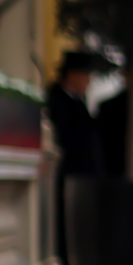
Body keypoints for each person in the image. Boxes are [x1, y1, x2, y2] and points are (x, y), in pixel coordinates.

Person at [44, 50, 107, 180]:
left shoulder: (79, 101)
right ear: (72, 74)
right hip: (68, 173)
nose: (88, 81)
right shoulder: (57, 100)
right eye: (86, 75)